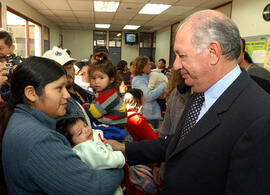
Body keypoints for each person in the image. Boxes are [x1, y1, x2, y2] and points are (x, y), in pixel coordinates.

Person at [106, 10, 270, 194]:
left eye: (182, 55)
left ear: (212, 52)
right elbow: (177, 144)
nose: (175, 65)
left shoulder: (260, 117)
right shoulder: (199, 94)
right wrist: (124, 148)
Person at [0, 56, 123, 194]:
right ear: (31, 93)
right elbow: (93, 188)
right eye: (59, 88)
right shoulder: (40, 140)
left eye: (65, 87)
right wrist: (116, 164)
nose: (67, 95)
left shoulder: (22, 121)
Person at [56, 117, 125, 195]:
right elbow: (106, 159)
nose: (86, 130)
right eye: (80, 133)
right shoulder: (85, 148)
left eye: (85, 126)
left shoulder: (90, 139)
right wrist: (121, 156)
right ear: (72, 144)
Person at [43, 46, 94, 125]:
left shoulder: (86, 90)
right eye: (59, 69)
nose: (66, 72)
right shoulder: (59, 103)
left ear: (74, 70)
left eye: (68, 67)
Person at [83, 59, 127, 141]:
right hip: (110, 127)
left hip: (112, 130)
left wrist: (84, 106)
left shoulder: (110, 95)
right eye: (93, 78)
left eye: (101, 78)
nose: (96, 81)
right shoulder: (104, 92)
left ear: (111, 79)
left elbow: (94, 112)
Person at [132, 56, 167, 130]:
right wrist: (163, 85)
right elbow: (148, 96)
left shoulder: (148, 77)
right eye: (148, 65)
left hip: (152, 114)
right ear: (142, 67)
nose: (150, 66)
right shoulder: (138, 80)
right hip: (147, 116)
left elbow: (154, 93)